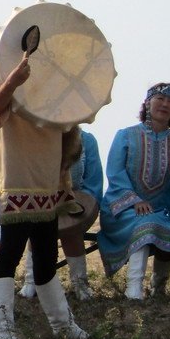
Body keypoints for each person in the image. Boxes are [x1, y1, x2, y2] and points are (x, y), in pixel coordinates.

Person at [0, 54, 88, 339]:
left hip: (48, 177)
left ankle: (62, 325)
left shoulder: (57, 84)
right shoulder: (1, 76)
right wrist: (14, 81)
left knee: (45, 253)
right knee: (11, 250)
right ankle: (2, 331)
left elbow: (74, 114)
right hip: (16, 176)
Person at [97, 83, 170, 299]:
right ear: (147, 103)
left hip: (161, 209)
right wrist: (134, 200)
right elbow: (115, 172)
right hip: (124, 208)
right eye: (160, 99)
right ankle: (134, 289)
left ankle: (159, 289)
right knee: (146, 225)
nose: (165, 104)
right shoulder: (126, 135)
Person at [19, 128, 104, 300]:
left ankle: (80, 284)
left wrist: (83, 204)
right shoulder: (39, 135)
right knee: (36, 229)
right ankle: (31, 281)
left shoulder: (87, 140)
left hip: (76, 199)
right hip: (42, 198)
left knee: (72, 230)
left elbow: (94, 180)